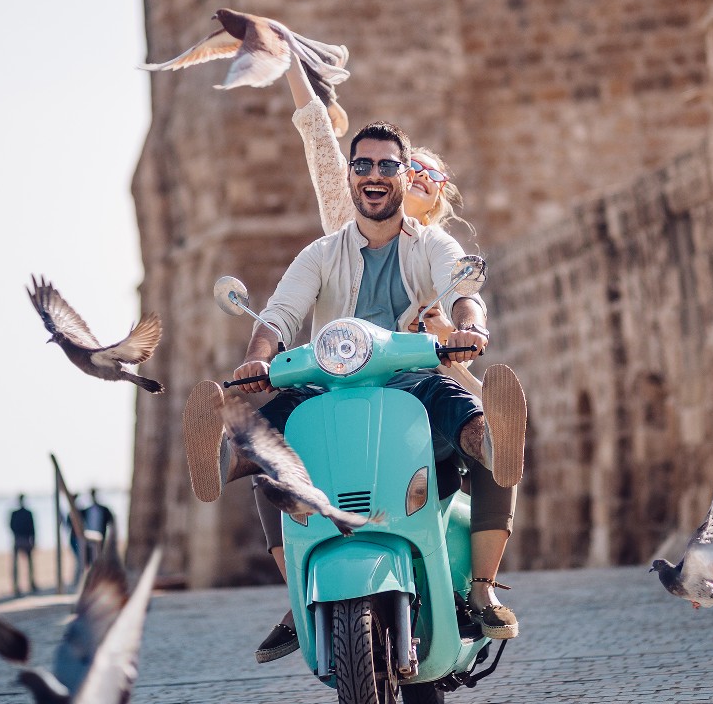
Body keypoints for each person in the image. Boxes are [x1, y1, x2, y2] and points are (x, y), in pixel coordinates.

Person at [185, 105, 527, 664]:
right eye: (362, 164)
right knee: (272, 445)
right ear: (349, 176)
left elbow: (461, 279)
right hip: (330, 391)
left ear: (402, 174)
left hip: (412, 383)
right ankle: (227, 462)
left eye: (387, 166)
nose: (373, 175)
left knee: (479, 431)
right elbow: (277, 315)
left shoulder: (429, 243)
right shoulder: (322, 253)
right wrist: (257, 360)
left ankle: (483, 587)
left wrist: (469, 323)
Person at [9, 494, 38, 596]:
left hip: (22, 539)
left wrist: (33, 539)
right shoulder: (19, 513)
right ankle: (18, 586)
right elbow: (11, 526)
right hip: (21, 539)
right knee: (19, 565)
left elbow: (33, 527)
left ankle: (29, 583)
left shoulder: (23, 513)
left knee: (26, 564)